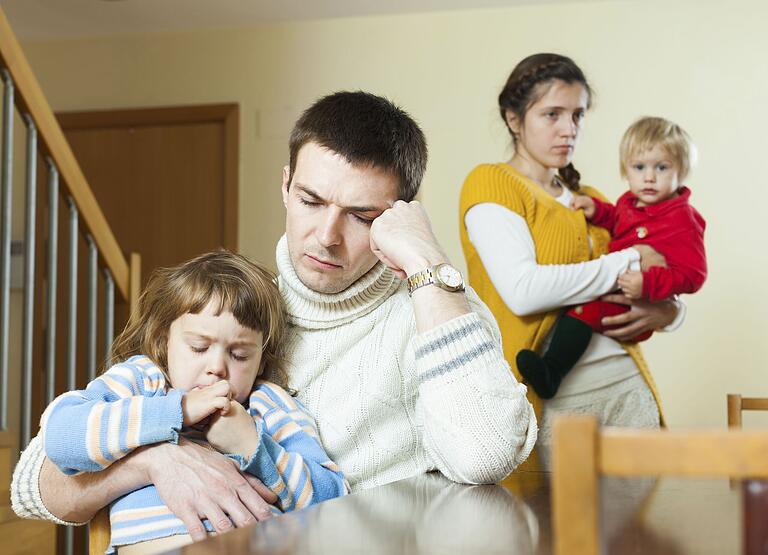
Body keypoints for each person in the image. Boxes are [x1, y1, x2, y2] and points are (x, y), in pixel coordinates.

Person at [12, 91, 537, 541]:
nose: (327, 236)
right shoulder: (235, 311)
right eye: (311, 200)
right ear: (286, 186)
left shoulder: (437, 307)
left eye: (362, 216)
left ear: (399, 216)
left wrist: (429, 264)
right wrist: (155, 459)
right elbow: (34, 482)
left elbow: (485, 456)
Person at [39, 251, 347, 553]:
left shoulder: (268, 403)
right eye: (199, 347)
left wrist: (252, 444)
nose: (217, 367)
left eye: (240, 355)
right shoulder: (143, 381)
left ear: (261, 360)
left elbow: (334, 502)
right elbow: (61, 435)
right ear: (164, 341)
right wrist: (178, 410)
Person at [459, 53, 682, 469]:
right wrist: (628, 259)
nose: (569, 130)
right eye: (552, 115)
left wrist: (669, 312)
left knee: (640, 533)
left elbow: (660, 269)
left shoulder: (595, 200)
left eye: (577, 115)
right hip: (555, 404)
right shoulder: (491, 183)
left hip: (630, 390)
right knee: (559, 532)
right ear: (513, 119)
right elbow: (524, 292)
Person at [517, 116, 707, 399]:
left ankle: (552, 371)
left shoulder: (683, 219)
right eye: (639, 167)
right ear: (625, 170)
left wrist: (648, 282)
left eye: (662, 167)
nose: (649, 177)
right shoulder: (629, 203)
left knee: (583, 309)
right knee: (581, 302)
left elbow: (694, 275)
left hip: (635, 302)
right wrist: (598, 211)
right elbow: (618, 220)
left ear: (682, 171)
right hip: (618, 292)